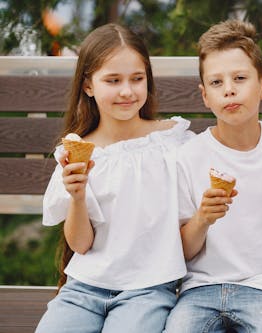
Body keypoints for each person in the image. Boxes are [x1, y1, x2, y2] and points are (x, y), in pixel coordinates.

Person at [36, 23, 193, 333]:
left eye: (137, 79)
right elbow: (80, 245)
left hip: (148, 291)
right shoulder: (79, 153)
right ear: (88, 86)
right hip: (83, 289)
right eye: (113, 80)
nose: (127, 91)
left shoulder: (172, 144)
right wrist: (78, 197)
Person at [164, 20, 262, 333]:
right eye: (216, 83)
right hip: (200, 290)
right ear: (204, 96)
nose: (229, 89)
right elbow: (182, 251)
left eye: (240, 78)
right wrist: (202, 218)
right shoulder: (189, 156)